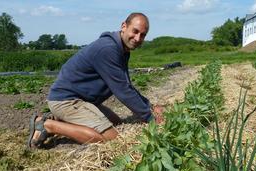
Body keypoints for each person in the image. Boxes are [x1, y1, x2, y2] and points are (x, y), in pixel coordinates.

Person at [27, 12, 164, 149]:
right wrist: (150, 118)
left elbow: (126, 85)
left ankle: (58, 118)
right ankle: (47, 126)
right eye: (135, 31)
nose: (137, 38)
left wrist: (149, 106)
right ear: (124, 26)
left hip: (83, 100)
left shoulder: (122, 49)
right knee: (111, 138)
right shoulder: (108, 49)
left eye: (143, 35)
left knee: (116, 122)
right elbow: (122, 91)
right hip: (66, 99)